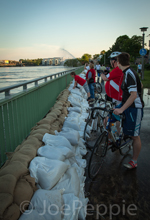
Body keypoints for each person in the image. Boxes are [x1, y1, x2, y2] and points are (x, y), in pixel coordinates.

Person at [113, 52, 144, 169]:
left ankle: (134, 161)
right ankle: (118, 137)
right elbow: (139, 85)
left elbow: (134, 95)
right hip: (127, 105)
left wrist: (121, 108)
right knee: (111, 113)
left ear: (119, 62)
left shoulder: (129, 73)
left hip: (134, 109)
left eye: (116, 61)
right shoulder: (128, 72)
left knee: (135, 136)